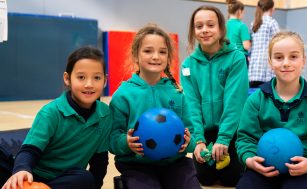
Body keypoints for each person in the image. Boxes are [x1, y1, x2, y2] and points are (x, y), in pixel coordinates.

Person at [235, 31, 307, 189]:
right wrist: (250, 159)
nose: (286, 63)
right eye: (278, 57)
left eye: (293, 56)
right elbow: (245, 138)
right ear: (270, 62)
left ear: (303, 61)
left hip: (303, 169)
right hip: (264, 167)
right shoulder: (256, 99)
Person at [1, 46, 112, 189]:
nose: (89, 84)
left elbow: (100, 161)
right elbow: (30, 149)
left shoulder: (105, 115)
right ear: (67, 78)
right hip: (31, 175)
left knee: (85, 178)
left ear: (105, 80)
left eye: (96, 77)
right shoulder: (51, 112)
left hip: (64, 181)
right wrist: (22, 170)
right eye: (81, 77)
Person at [109, 24, 201, 189]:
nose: (156, 56)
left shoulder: (177, 93)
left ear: (168, 57)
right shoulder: (123, 95)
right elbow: (112, 138)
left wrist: (189, 143)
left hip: (175, 163)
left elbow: (192, 133)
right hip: (137, 165)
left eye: (162, 52)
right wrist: (126, 143)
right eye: (148, 51)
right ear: (136, 56)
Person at [181, 5, 248, 187]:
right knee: (205, 178)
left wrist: (224, 139)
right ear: (193, 31)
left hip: (232, 130)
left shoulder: (236, 58)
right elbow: (191, 105)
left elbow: (234, 102)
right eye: (199, 26)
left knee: (231, 179)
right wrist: (198, 141)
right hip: (205, 131)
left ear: (221, 28)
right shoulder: (187, 65)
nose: (204, 30)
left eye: (210, 25)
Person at [248, 0, 280, 88]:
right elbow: (279, 43)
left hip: (254, 68)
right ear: (272, 8)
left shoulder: (254, 23)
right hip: (266, 69)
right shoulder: (272, 22)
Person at [225, 0, 251, 66]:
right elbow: (246, 46)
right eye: (243, 13)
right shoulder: (242, 26)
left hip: (227, 56)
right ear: (240, 11)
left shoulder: (225, 25)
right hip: (240, 57)